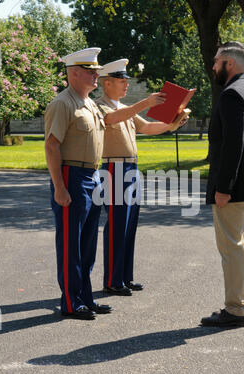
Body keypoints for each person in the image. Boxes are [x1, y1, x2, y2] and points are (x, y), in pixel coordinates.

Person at [45, 49, 166, 319]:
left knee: (87, 245)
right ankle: (70, 302)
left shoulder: (86, 103)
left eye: (96, 71)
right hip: (71, 176)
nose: (95, 75)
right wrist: (60, 187)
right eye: (90, 71)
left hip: (92, 176)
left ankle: (85, 298)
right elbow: (52, 146)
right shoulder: (63, 103)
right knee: (70, 244)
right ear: (74, 73)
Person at [96, 59, 187, 296]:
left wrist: (170, 125)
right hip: (113, 168)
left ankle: (125, 277)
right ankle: (113, 281)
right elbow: (111, 120)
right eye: (121, 80)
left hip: (131, 169)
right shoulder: (100, 106)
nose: (127, 84)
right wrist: (145, 102)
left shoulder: (122, 106)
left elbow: (146, 127)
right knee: (117, 226)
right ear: (107, 83)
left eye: (126, 80)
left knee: (129, 225)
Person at [201, 42, 244, 328]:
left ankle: (236, 310)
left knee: (232, 249)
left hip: (234, 186)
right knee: (243, 246)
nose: (213, 66)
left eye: (216, 62)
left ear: (229, 63)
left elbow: (233, 146)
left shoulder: (230, 95)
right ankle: (243, 305)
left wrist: (223, 187)